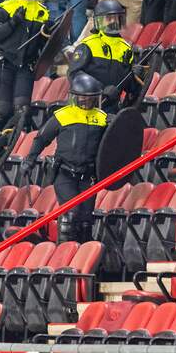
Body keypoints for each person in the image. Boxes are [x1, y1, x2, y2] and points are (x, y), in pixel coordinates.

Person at [19, 73, 107, 242]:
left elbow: (110, 147)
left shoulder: (102, 118)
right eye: (82, 97)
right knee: (70, 214)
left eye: (90, 98)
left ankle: (82, 256)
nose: (86, 101)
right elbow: (42, 138)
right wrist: (30, 159)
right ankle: (64, 257)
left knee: (86, 220)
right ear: (75, 97)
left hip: (89, 176)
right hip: (65, 173)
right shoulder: (62, 115)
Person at [0, 0, 53, 124]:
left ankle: (13, 144)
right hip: (3, 64)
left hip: (26, 67)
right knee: (2, 109)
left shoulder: (43, 12)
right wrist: (12, 23)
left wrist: (49, 33)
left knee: (22, 110)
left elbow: (45, 45)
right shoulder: (6, 7)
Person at [68, 0, 141, 113]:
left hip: (112, 108)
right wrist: (99, 88)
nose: (112, 21)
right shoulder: (88, 44)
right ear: (99, 21)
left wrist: (135, 76)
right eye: (108, 18)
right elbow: (74, 74)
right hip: (87, 106)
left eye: (116, 18)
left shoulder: (126, 48)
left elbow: (129, 88)